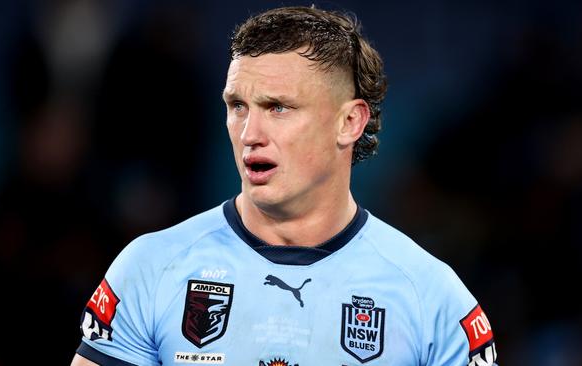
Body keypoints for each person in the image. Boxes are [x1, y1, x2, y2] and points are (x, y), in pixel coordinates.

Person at [71, 6, 497, 366]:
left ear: (350, 122)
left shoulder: (434, 302)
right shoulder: (150, 269)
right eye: (237, 105)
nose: (249, 132)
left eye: (278, 107)